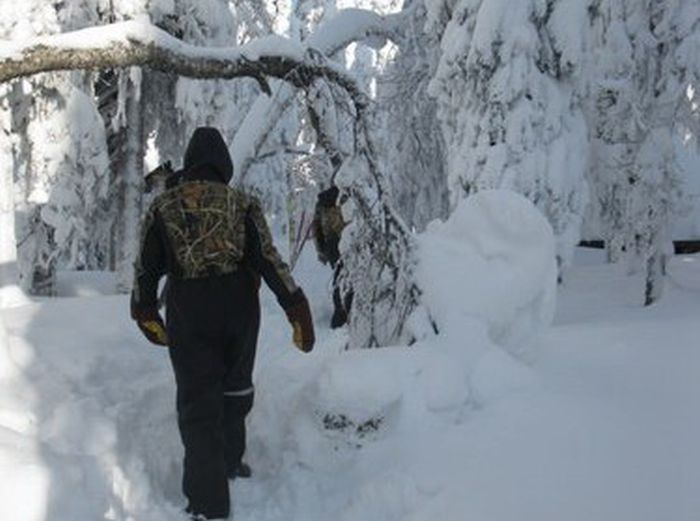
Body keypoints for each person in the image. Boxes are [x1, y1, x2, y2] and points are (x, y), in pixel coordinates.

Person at [130, 127, 315, 520]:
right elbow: (267, 257)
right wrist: (294, 304)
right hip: (239, 306)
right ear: (224, 164)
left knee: (198, 401)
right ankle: (230, 461)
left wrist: (144, 309)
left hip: (188, 307)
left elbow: (147, 267)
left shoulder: (163, 206)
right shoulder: (242, 203)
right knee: (236, 388)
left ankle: (206, 502)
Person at [312, 184, 353, 328]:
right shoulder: (346, 196)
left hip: (330, 244)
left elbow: (316, 228)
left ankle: (340, 314)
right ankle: (344, 315)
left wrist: (321, 251)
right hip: (346, 240)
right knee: (348, 277)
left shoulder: (321, 202)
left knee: (339, 276)